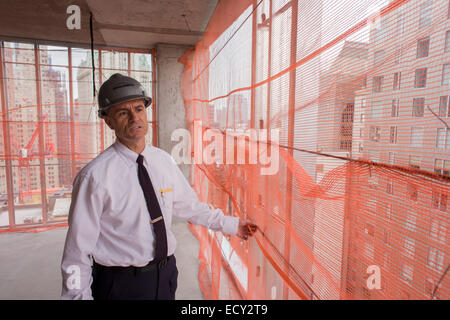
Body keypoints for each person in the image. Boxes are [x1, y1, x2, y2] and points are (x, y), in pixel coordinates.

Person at [60, 73, 257, 300]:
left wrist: (232, 225)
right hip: (120, 285)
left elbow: (189, 207)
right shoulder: (94, 177)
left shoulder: (163, 161)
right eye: (124, 112)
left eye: (139, 109)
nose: (135, 118)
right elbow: (77, 251)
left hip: (165, 276)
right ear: (108, 120)